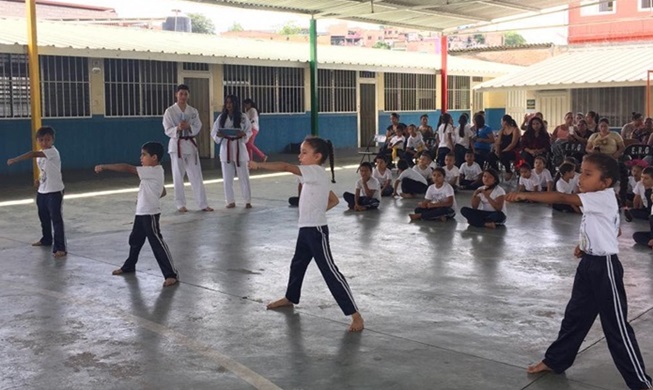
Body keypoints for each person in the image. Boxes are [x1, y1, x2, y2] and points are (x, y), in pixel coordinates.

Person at [505, 153, 653, 390]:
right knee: (575, 317)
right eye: (580, 172)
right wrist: (584, 245)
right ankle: (556, 360)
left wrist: (524, 194)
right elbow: (610, 229)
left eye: (587, 174)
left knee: (616, 328)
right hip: (589, 265)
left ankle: (641, 383)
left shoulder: (602, 197)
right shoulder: (597, 197)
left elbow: (563, 197)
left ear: (605, 182)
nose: (579, 178)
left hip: (605, 268)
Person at [248, 137, 364, 332]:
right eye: (300, 152)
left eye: (304, 152)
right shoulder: (314, 174)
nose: (299, 156)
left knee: (330, 271)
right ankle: (290, 297)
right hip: (306, 229)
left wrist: (258, 165)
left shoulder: (315, 171)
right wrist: (316, 212)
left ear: (317, 157)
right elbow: (334, 200)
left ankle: (355, 315)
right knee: (298, 264)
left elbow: (286, 166)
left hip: (316, 232)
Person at [94, 142, 178, 287]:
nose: (141, 158)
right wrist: (147, 198)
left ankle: (171, 274)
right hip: (141, 212)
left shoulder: (152, 170)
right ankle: (129, 265)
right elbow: (163, 191)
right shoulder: (153, 172)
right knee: (135, 240)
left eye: (144, 155)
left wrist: (104, 166)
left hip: (150, 214)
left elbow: (127, 168)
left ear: (154, 157)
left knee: (156, 242)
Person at [6, 126, 67, 258]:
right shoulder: (42, 153)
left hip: (54, 191)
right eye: (42, 140)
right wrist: (39, 180)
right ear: (38, 140)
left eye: (48, 140)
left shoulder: (52, 152)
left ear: (53, 140)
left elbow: (33, 154)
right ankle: (46, 239)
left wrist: (16, 159)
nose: (45, 142)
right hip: (43, 190)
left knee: (56, 219)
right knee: (43, 216)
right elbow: (44, 169)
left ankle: (60, 248)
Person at [163, 84, 213, 213]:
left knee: (196, 175)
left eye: (185, 94)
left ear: (188, 95)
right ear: (176, 95)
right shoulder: (170, 111)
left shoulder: (193, 111)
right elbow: (167, 129)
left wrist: (189, 127)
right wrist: (178, 128)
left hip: (190, 145)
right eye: (181, 94)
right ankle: (180, 204)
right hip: (177, 145)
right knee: (178, 175)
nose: (183, 96)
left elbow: (198, 126)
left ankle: (203, 204)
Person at [211, 95, 253, 209]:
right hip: (226, 148)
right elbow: (214, 132)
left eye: (231, 102)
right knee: (227, 178)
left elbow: (249, 131)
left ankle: (247, 200)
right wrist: (218, 136)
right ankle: (230, 201)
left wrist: (244, 134)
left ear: (235, 104)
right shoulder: (221, 118)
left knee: (244, 177)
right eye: (227, 103)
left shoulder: (243, 117)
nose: (229, 105)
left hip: (239, 147)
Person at [488, 114, 520, 181]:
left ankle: (508, 171)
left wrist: (504, 150)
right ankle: (496, 170)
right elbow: (498, 142)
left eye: (501, 121)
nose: (501, 123)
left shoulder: (515, 130)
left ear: (505, 122)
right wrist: (497, 150)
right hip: (502, 150)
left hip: (512, 150)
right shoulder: (502, 131)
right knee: (491, 156)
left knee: (504, 155)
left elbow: (513, 143)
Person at [243, 98, 268, 162]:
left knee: (249, 144)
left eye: (246, 104)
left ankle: (262, 155)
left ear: (249, 104)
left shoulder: (252, 110)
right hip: (250, 129)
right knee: (249, 144)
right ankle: (250, 160)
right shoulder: (247, 111)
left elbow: (253, 120)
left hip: (253, 128)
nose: (245, 106)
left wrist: (247, 124)